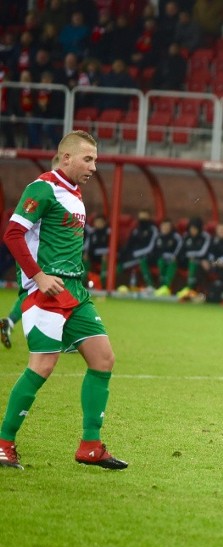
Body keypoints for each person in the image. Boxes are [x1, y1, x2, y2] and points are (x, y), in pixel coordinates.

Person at [0, 130, 127, 470]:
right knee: (42, 365)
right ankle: (3, 443)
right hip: (46, 292)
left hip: (76, 292)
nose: (94, 166)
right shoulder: (42, 188)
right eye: (88, 159)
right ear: (66, 158)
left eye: (96, 160)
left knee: (103, 359)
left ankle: (90, 446)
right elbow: (11, 234)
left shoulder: (75, 194)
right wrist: (38, 276)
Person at [176, 217, 211, 300]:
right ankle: (164, 287)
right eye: (191, 229)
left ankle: (190, 288)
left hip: (199, 261)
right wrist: (188, 255)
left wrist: (191, 255)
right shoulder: (186, 236)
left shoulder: (205, 237)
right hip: (185, 260)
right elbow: (180, 251)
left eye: (195, 229)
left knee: (194, 262)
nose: (193, 231)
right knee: (169, 261)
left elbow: (203, 252)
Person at [150, 218, 183, 296]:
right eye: (164, 226)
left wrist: (174, 256)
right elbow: (153, 250)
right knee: (159, 261)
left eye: (167, 226)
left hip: (173, 260)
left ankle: (165, 287)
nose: (165, 228)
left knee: (171, 263)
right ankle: (152, 286)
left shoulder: (176, 237)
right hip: (159, 259)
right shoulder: (157, 236)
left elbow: (179, 249)